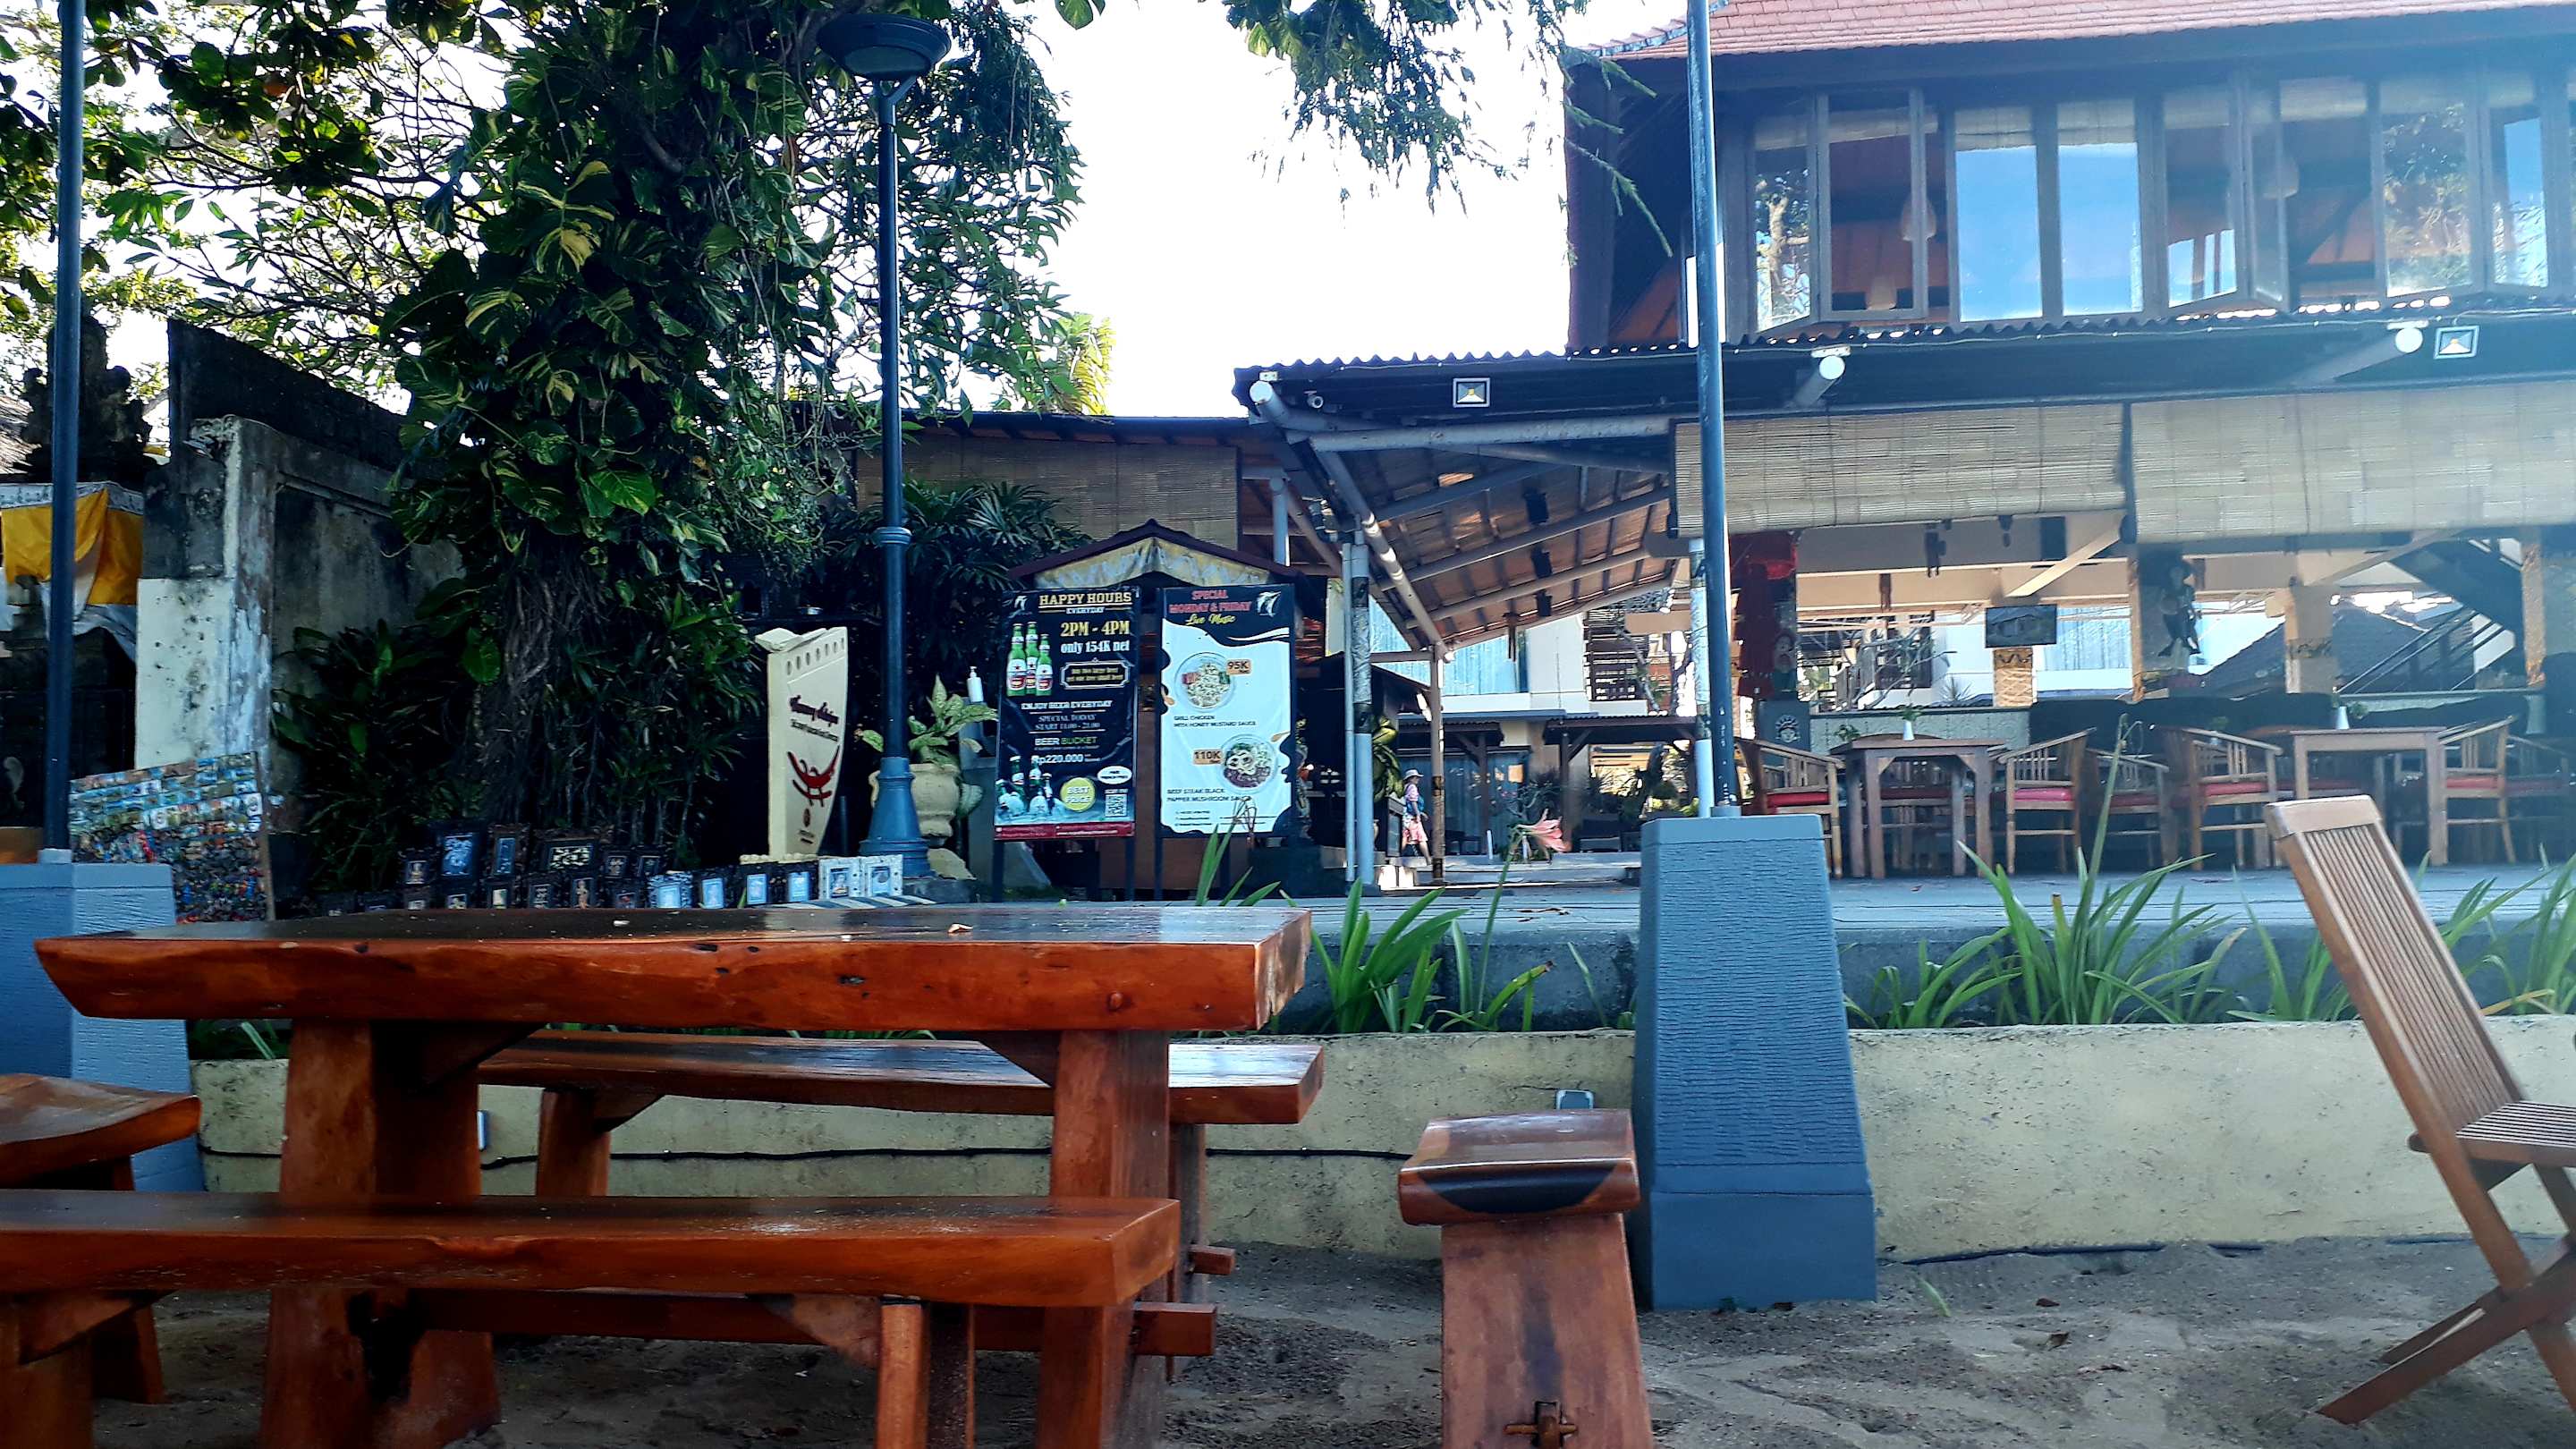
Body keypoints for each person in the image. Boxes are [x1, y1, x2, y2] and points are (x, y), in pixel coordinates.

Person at [1397, 767, 1429, 859]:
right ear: (1411, 778)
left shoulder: (1405, 787)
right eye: (1416, 777)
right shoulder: (1412, 787)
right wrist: (1418, 814)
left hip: (1406, 816)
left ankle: (1399, 856)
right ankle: (1428, 859)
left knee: (1405, 837)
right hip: (1412, 817)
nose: (1418, 779)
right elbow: (1413, 801)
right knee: (1421, 838)